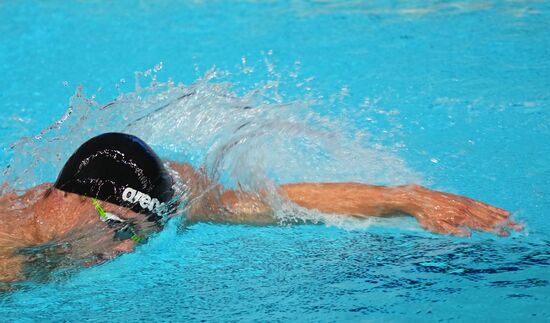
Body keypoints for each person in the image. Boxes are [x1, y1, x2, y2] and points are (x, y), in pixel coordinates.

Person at [0, 133, 520, 283]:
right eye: (116, 225)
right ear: (61, 196)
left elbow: (261, 202)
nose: (121, 249)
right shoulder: (9, 253)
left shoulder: (147, 202)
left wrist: (405, 198)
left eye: (141, 234)